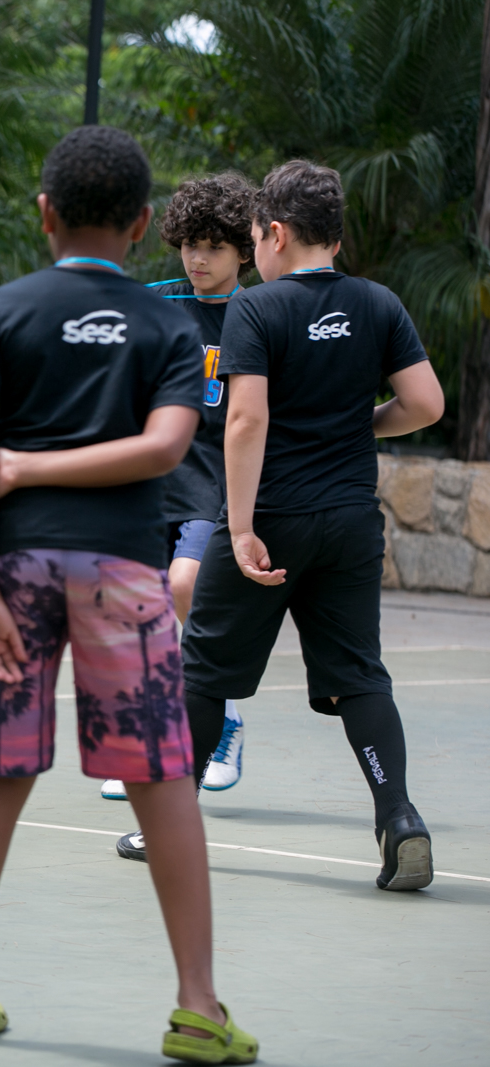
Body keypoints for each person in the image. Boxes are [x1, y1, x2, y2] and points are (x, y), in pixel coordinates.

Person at [0, 127, 256, 1063]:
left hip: (17, 575)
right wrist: (37, 469)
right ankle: (199, 1004)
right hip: (124, 576)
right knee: (162, 780)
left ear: (44, 214)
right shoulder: (167, 326)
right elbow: (162, 449)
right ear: (147, 226)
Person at [173, 160, 444, 892]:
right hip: (352, 522)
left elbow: (246, 419)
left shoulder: (255, 310)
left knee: (202, 669)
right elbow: (425, 404)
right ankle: (400, 815)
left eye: (255, 233)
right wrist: (361, 424)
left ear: (276, 234)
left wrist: (236, 527)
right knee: (360, 675)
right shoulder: (379, 302)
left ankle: (171, 825)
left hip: (274, 521)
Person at [101, 173, 254, 806]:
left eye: (215, 246)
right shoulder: (155, 302)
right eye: (190, 243)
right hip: (150, 479)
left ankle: (224, 720)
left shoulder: (261, 310)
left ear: (245, 250)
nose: (198, 258)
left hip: (216, 482)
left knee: (184, 585)